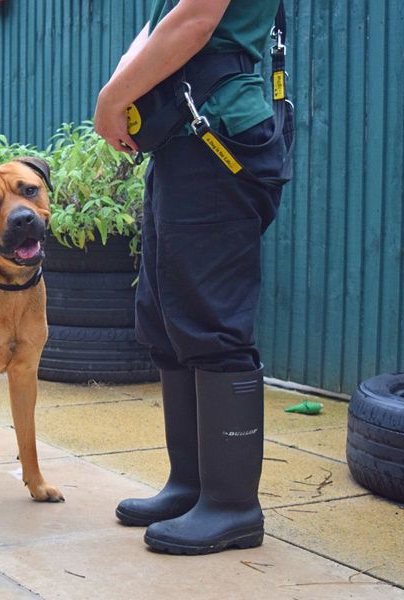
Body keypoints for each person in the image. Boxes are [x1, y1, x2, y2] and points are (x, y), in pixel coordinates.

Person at [93, 0, 290, 555]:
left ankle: (232, 506)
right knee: (167, 317)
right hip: (182, 140)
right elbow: (159, 25)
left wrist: (111, 99)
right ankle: (191, 485)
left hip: (217, 134)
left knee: (211, 319)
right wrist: (121, 88)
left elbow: (196, 20)